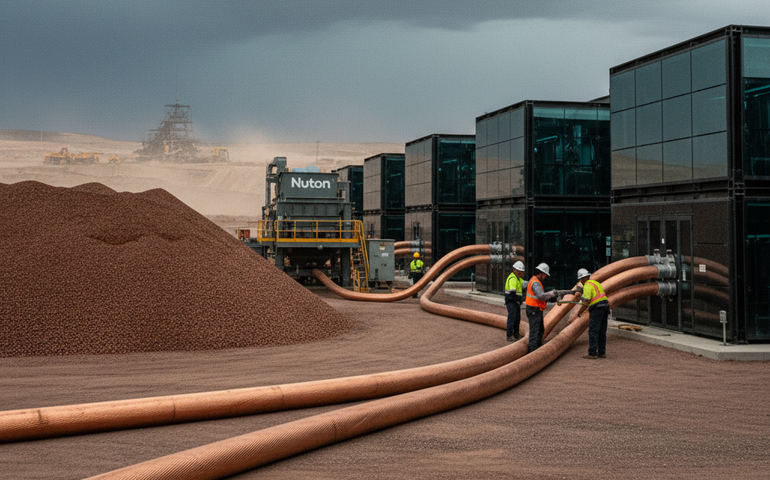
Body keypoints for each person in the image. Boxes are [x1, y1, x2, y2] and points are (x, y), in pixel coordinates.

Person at [575, 268, 610, 359]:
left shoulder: (587, 285)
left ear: (582, 279)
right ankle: (602, 352)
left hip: (597, 308)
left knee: (593, 331)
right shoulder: (596, 283)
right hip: (605, 307)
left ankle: (592, 353)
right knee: (602, 331)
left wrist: (580, 312)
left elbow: (586, 300)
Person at [524, 262, 558, 353]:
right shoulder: (535, 283)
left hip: (535, 309)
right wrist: (551, 294)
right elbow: (541, 296)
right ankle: (533, 353)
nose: (545, 277)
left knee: (539, 330)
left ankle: (536, 349)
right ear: (541, 273)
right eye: (545, 275)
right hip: (534, 309)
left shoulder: (535, 280)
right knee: (535, 332)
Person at [504, 261, 526, 342]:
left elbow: (524, 284)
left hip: (515, 301)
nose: (522, 274)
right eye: (521, 272)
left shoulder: (518, 279)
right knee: (512, 318)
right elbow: (513, 293)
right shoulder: (512, 279)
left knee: (517, 318)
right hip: (511, 301)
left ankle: (516, 334)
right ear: (517, 271)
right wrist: (518, 300)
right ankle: (510, 335)